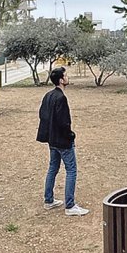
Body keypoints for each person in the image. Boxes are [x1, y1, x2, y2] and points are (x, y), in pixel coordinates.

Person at [36, 67, 89, 216]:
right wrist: (70, 135)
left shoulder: (48, 95)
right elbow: (63, 122)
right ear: (61, 80)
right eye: (65, 76)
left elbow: (42, 115)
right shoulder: (61, 98)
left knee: (53, 168)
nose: (67, 77)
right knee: (71, 170)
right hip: (62, 141)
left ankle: (49, 200)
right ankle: (70, 205)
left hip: (52, 140)